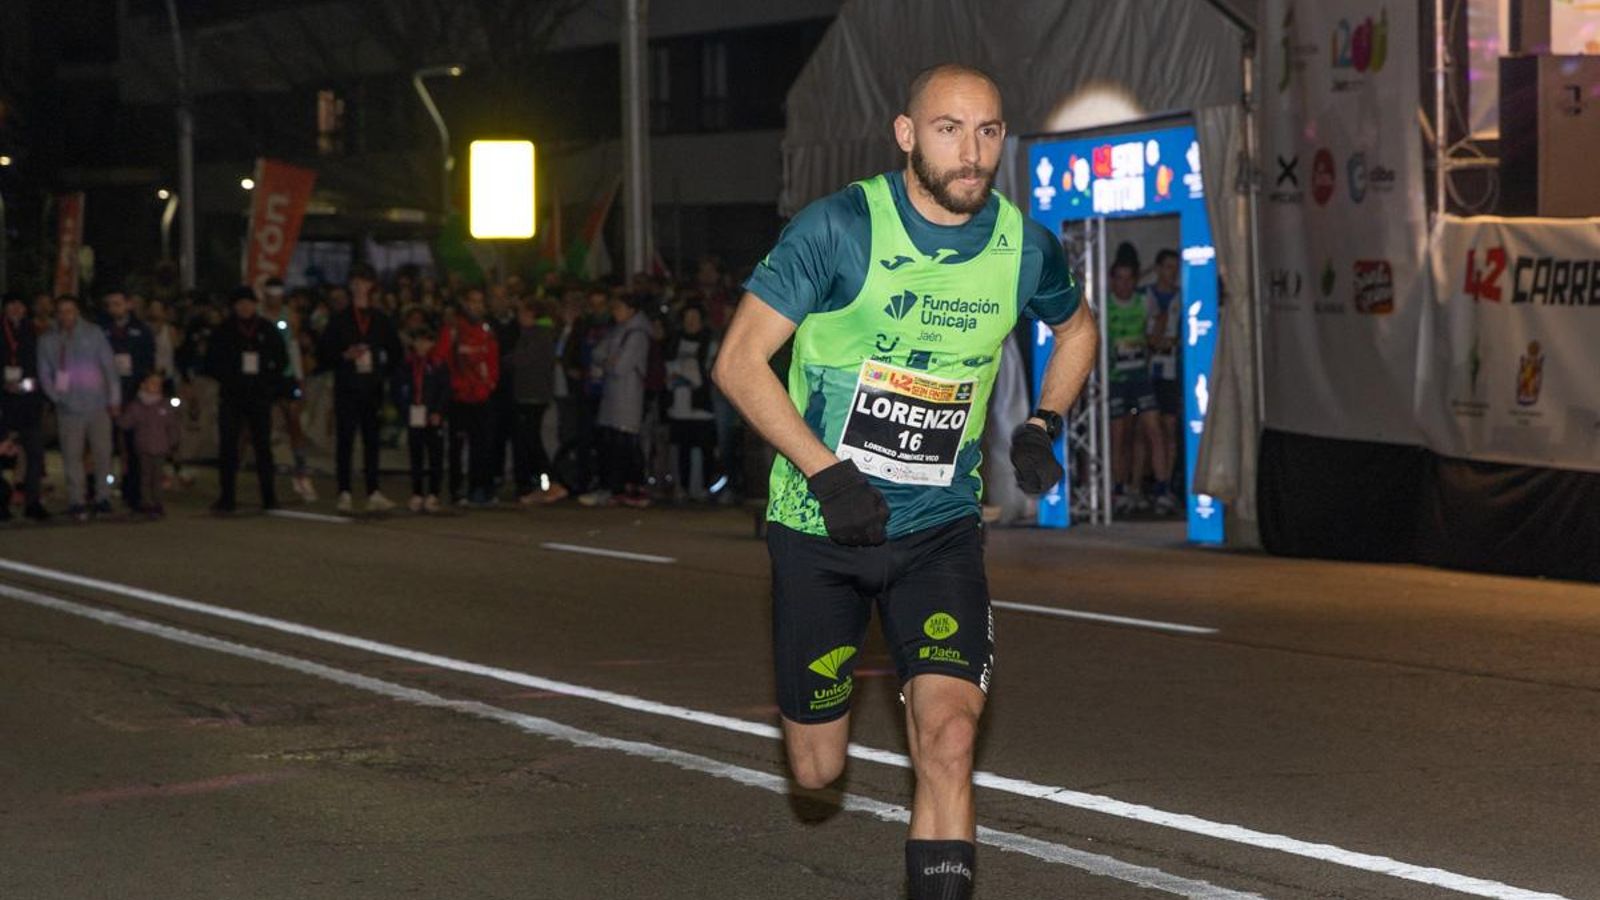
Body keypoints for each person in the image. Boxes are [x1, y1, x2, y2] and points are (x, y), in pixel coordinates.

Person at [712, 64, 1095, 900]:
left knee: (950, 741)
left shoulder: (1022, 245)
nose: (973, 152)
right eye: (950, 129)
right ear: (906, 134)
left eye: (989, 131)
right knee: (816, 772)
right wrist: (826, 473)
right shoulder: (840, 229)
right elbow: (739, 363)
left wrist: (1044, 423)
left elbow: (1078, 331)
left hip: (939, 532)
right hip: (822, 527)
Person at [318, 263, 402, 513]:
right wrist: (344, 356)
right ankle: (344, 491)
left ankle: (373, 490)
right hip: (347, 386)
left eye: (363, 282)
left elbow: (396, 351)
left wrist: (382, 373)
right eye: (355, 281)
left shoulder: (380, 320)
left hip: (372, 387)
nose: (359, 286)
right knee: (345, 439)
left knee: (372, 440)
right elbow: (323, 353)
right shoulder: (340, 319)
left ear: (371, 285)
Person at [39, 295, 121, 520]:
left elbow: (109, 367)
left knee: (103, 453)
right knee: (71, 455)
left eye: (70, 310)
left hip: (97, 405)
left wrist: (114, 400)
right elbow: (45, 373)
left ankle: (103, 496)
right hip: (68, 408)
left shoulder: (94, 334)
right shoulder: (48, 340)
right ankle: (77, 499)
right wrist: (57, 397)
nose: (66, 315)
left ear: (77, 311)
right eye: (62, 311)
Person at [207, 285, 287, 513]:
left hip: (259, 396)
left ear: (255, 305)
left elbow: (281, 358)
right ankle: (227, 497)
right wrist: (229, 377)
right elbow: (212, 362)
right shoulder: (224, 331)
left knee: (263, 447)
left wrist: (269, 382)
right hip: (232, 396)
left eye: (248, 303)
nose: (245, 307)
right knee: (229, 447)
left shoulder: (266, 329)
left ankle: (269, 497)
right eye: (240, 303)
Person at [1105, 253, 1164, 515]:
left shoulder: (1144, 300)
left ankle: (1162, 490)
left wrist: (1153, 339)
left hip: (1140, 377)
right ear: (1111, 281)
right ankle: (1119, 490)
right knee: (1119, 437)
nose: (1124, 285)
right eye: (1119, 279)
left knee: (1155, 430)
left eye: (1129, 279)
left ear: (1136, 280)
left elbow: (1158, 323)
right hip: (1115, 380)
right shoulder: (1105, 305)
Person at [582, 293, 652, 508]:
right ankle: (618, 487)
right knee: (612, 442)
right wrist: (608, 362)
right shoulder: (618, 330)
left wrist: (607, 363)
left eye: (618, 308)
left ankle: (622, 487)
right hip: (613, 396)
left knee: (624, 443)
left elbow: (620, 366)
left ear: (631, 310)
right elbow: (598, 353)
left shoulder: (637, 334)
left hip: (627, 396)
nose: (615, 313)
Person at [436, 288, 500, 506]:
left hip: (480, 397)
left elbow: (492, 360)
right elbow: (440, 358)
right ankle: (457, 489)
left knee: (481, 446)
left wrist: (489, 384)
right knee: (457, 446)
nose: (477, 306)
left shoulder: (486, 330)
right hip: (459, 398)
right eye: (472, 301)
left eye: (480, 302)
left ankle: (478, 488)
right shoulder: (454, 329)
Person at [101, 290, 157, 510]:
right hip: (106, 395)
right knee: (105, 445)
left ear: (128, 304)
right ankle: (100, 491)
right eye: (110, 304)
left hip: (133, 394)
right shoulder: (102, 329)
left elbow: (148, 361)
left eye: (117, 303)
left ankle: (133, 492)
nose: (113, 308)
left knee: (135, 446)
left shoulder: (142, 330)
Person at [0, 292, 49, 520]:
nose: (16, 309)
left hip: (29, 401)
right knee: (4, 455)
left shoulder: (34, 331)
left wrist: (27, 385)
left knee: (34, 454)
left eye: (20, 305)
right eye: (11, 305)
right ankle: (2, 503)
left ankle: (33, 502)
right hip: (4, 403)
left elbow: (40, 367)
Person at [394, 327, 451, 512]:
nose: (421, 345)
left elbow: (445, 391)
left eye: (426, 341)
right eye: (418, 341)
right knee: (416, 455)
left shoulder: (438, 365)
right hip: (414, 414)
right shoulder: (407, 364)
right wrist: (405, 411)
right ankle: (417, 492)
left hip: (432, 415)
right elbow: (399, 390)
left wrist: (439, 412)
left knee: (435, 455)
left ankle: (433, 493)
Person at [664, 304, 718, 501]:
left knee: (705, 448)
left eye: (694, 317)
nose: (691, 322)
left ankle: (705, 488)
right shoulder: (675, 341)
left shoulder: (709, 342)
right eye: (687, 318)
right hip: (679, 404)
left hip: (702, 405)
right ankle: (683, 487)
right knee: (682, 449)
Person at [1144, 248, 1182, 515]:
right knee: (1149, 428)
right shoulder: (1146, 296)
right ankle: (1152, 484)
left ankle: (1166, 485)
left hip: (1172, 370)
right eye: (1167, 267)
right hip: (1147, 369)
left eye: (1175, 267)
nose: (1172, 272)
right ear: (1157, 268)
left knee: (1169, 427)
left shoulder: (1184, 295)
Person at [508, 299, 557, 504]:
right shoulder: (532, 335)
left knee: (532, 441)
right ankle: (537, 483)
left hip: (533, 395)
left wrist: (506, 359)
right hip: (527, 394)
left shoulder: (538, 335)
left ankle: (548, 483)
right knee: (528, 441)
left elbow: (523, 360)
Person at [116, 371, 181, 517]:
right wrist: (120, 419)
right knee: (145, 477)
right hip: (144, 447)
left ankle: (157, 502)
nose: (156, 387)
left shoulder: (164, 405)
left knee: (157, 477)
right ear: (143, 385)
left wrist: (173, 441)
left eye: (158, 384)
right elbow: (126, 423)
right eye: (153, 383)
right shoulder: (137, 406)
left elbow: (172, 425)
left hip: (160, 447)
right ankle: (147, 502)